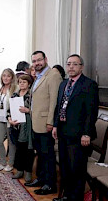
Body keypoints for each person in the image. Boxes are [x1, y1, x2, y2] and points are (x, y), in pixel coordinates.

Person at [52, 54, 99, 201]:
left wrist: (87, 134)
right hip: (63, 131)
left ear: (81, 67)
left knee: (76, 169)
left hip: (79, 134)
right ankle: (66, 196)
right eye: (68, 64)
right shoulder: (63, 84)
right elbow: (58, 107)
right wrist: (55, 126)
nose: (71, 67)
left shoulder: (89, 84)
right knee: (65, 167)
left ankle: (75, 198)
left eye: (75, 64)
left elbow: (91, 112)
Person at [25, 51, 62, 196]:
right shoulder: (38, 76)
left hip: (46, 123)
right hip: (36, 122)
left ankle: (50, 184)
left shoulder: (53, 75)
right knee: (40, 154)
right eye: (34, 61)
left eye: (39, 60)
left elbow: (54, 101)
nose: (36, 63)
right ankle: (41, 179)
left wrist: (50, 122)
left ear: (46, 59)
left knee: (48, 155)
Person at [8, 74, 34, 183]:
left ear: (29, 84)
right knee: (19, 149)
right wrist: (9, 119)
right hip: (16, 125)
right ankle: (19, 170)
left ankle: (28, 172)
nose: (22, 84)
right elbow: (9, 110)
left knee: (28, 149)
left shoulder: (31, 95)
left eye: (24, 82)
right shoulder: (14, 95)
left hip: (28, 126)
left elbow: (35, 110)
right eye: (20, 82)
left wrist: (28, 111)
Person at [0, 68, 17, 172]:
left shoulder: (15, 89)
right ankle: (2, 162)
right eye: (4, 76)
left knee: (11, 142)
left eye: (8, 76)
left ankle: (10, 163)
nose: (6, 78)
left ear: (12, 77)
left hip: (9, 119)